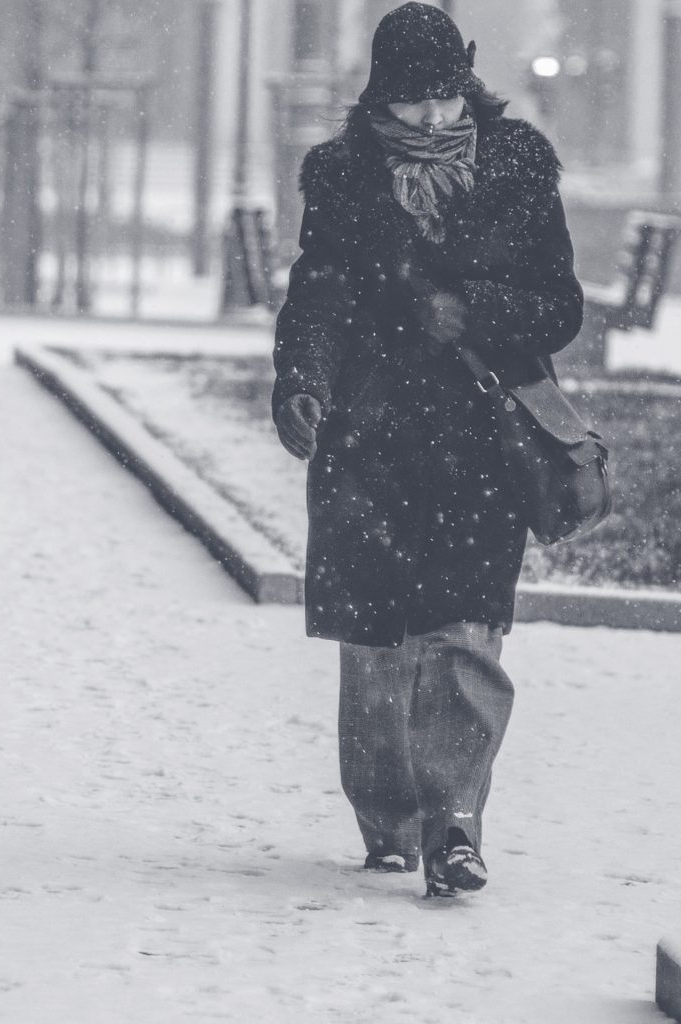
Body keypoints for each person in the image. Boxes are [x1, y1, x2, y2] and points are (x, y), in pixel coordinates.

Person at [271, 2, 583, 897]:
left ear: (468, 82)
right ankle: (390, 819)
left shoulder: (520, 166)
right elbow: (318, 296)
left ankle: (454, 824)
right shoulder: (342, 176)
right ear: (380, 96)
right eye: (412, 103)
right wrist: (302, 384)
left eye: (447, 98)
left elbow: (558, 305)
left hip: (480, 439)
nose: (433, 120)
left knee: (463, 637)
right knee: (372, 648)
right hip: (368, 437)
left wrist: (471, 310)